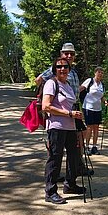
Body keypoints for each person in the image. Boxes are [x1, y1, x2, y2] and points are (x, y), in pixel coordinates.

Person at [35, 43, 92, 177]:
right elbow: (38, 80)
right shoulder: (55, 69)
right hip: (58, 111)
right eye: (66, 53)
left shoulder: (73, 71)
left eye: (72, 53)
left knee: (78, 139)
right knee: (56, 145)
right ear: (61, 54)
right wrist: (49, 93)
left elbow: (76, 91)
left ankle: (77, 167)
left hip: (74, 108)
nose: (69, 56)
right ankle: (56, 172)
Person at [42, 56, 85, 204]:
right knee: (55, 158)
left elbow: (70, 105)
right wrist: (69, 113)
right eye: (59, 67)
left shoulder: (67, 85)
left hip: (71, 127)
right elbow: (46, 106)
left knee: (74, 157)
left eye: (65, 67)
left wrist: (77, 116)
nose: (62, 69)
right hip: (56, 127)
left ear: (69, 70)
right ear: (55, 70)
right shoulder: (51, 83)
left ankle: (70, 185)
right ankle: (50, 191)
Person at [80, 66, 108, 155]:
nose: (100, 74)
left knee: (96, 128)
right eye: (99, 72)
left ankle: (94, 147)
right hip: (88, 107)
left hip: (97, 108)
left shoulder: (102, 85)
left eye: (102, 73)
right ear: (95, 73)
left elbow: (101, 96)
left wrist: (105, 101)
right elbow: (81, 88)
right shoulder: (90, 81)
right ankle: (87, 146)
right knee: (89, 128)